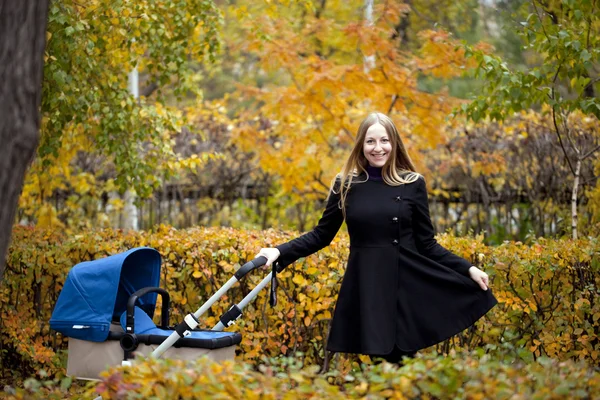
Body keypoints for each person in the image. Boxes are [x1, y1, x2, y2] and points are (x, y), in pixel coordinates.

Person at [256, 112, 498, 365]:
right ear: (361, 144)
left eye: (384, 140)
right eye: (371, 141)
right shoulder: (345, 184)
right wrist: (279, 252)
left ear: (394, 144)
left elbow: (427, 244)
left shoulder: (413, 183)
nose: (378, 148)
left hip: (407, 285)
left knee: (401, 363)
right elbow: (321, 235)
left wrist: (468, 269)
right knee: (380, 361)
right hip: (369, 286)